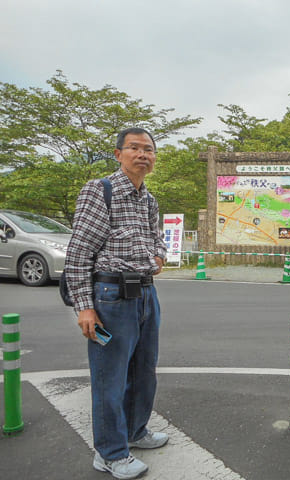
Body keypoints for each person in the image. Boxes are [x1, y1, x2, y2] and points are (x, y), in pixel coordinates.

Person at [65, 127, 168, 479]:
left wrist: (159, 256)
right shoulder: (101, 190)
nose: (143, 155)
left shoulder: (149, 199)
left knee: (144, 372)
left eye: (149, 150)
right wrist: (84, 306)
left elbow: (158, 240)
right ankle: (109, 453)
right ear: (118, 153)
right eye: (135, 148)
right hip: (110, 296)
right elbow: (78, 254)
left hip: (146, 293)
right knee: (110, 377)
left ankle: (136, 432)